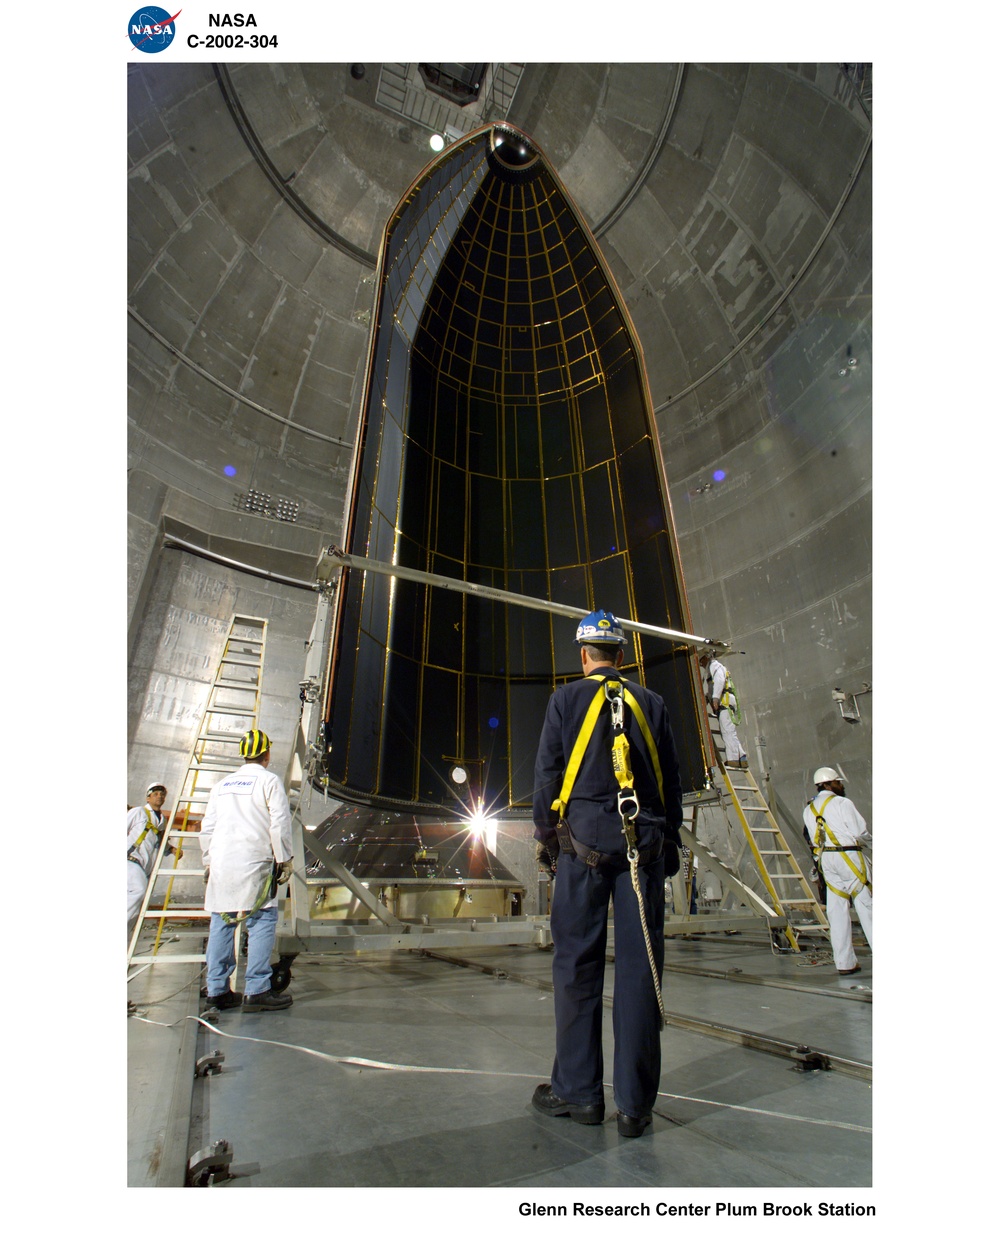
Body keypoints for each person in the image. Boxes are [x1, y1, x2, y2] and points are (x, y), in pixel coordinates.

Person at [531, 610, 683, 1139]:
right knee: (642, 973)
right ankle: (636, 1108)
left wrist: (548, 839)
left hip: (583, 851)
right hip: (644, 848)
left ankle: (579, 1095)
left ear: (584, 655)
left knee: (576, 966)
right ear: (622, 655)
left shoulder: (565, 701)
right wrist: (672, 844)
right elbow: (669, 780)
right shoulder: (653, 703)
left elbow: (548, 775)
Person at [199, 729, 295, 1012]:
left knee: (222, 921)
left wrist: (208, 861)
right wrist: (284, 859)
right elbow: (279, 822)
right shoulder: (269, 781)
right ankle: (257, 989)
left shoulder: (221, 785)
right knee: (262, 921)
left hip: (221, 863)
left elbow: (208, 828)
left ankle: (217, 990)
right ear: (267, 754)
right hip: (254, 862)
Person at [803, 766, 872, 976]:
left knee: (836, 911)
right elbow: (860, 833)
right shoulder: (843, 803)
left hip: (827, 860)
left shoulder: (809, 809)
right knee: (866, 906)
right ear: (829, 783)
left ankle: (844, 963)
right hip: (848, 856)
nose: (841, 785)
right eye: (838, 782)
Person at [127, 783, 182, 931]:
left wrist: (171, 849)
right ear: (148, 797)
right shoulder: (138, 812)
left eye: (162, 794)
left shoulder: (162, 820)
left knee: (137, 907)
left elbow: (158, 841)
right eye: (156, 794)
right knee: (138, 891)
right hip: (131, 859)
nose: (160, 796)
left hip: (145, 868)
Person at [699, 650, 747, 767]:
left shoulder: (714, 666)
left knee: (727, 731)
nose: (701, 665)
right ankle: (741, 757)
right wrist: (707, 698)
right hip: (725, 703)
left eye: (701, 662)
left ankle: (733, 759)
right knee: (730, 732)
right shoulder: (712, 669)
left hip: (725, 704)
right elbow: (713, 687)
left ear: (706, 658)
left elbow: (720, 681)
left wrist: (715, 698)